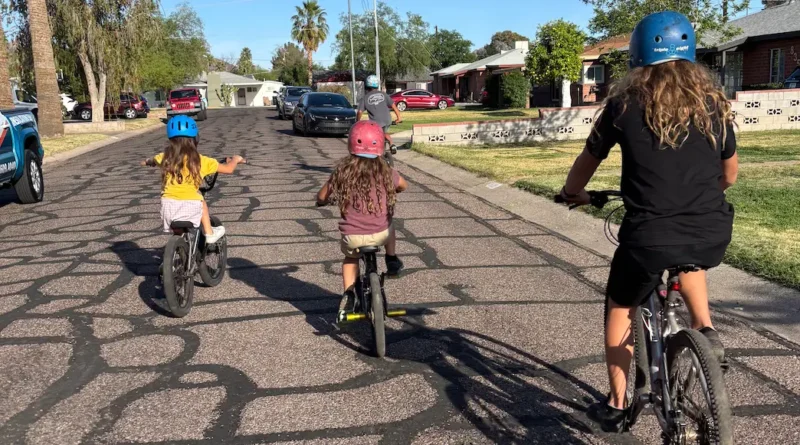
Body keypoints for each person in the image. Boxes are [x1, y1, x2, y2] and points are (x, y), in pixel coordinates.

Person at [558, 11, 738, 433]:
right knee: (689, 260)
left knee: (620, 304)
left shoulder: (623, 105)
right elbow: (729, 174)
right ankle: (706, 331)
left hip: (648, 238)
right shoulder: (714, 105)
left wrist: (574, 195)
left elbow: (583, 168)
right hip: (711, 228)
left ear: (637, 54)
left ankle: (619, 403)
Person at [316, 120, 408, 323]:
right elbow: (403, 185)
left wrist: (321, 201)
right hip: (381, 234)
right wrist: (394, 188)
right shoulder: (385, 171)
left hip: (353, 238)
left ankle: (348, 294)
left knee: (350, 260)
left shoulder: (342, 172)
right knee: (390, 224)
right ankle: (391, 259)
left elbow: (322, 196)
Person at [141, 115, 246, 244]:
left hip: (167, 207)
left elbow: (150, 160)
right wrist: (236, 159)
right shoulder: (201, 161)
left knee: (179, 232)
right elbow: (228, 169)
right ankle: (209, 233)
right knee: (200, 200)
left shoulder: (164, 157)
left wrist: (146, 162)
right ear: (195, 138)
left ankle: (177, 251)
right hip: (191, 205)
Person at [357, 74, 402, 152]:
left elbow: (360, 112)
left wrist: (357, 122)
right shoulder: (383, 94)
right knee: (384, 132)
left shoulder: (365, 98)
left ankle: (385, 147)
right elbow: (393, 106)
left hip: (376, 121)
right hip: (387, 119)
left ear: (367, 85)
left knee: (377, 135)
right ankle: (389, 146)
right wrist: (399, 117)